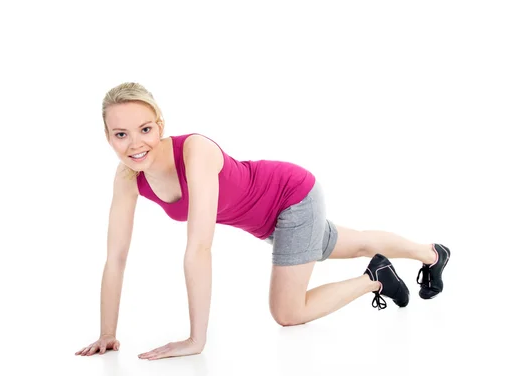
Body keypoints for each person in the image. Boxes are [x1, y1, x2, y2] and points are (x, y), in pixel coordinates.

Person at [75, 82, 451, 360]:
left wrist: (196, 339)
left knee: (288, 313)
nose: (135, 143)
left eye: (144, 129)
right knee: (357, 243)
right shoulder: (127, 179)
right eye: (120, 134)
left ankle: (374, 280)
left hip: (291, 196)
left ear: (159, 125)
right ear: (107, 138)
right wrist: (108, 333)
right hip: (270, 225)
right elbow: (116, 257)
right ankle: (432, 254)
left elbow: (200, 247)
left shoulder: (194, 151)